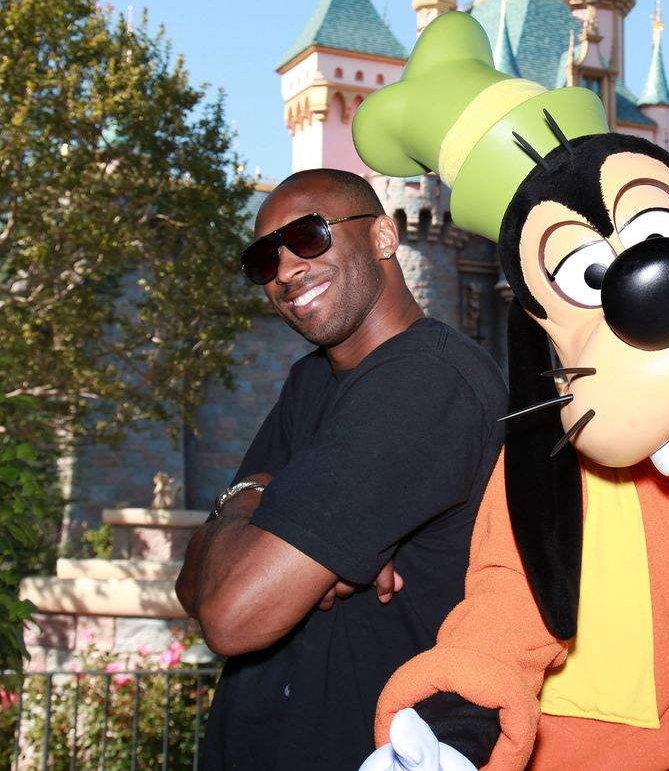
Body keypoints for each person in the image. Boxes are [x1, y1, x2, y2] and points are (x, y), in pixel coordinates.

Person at [175, 169, 507, 770]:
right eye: (262, 259)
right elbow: (191, 586)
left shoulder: (427, 383)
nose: (284, 270)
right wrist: (258, 501)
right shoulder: (309, 381)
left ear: (384, 235)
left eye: (309, 236)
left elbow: (231, 616)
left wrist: (253, 513)